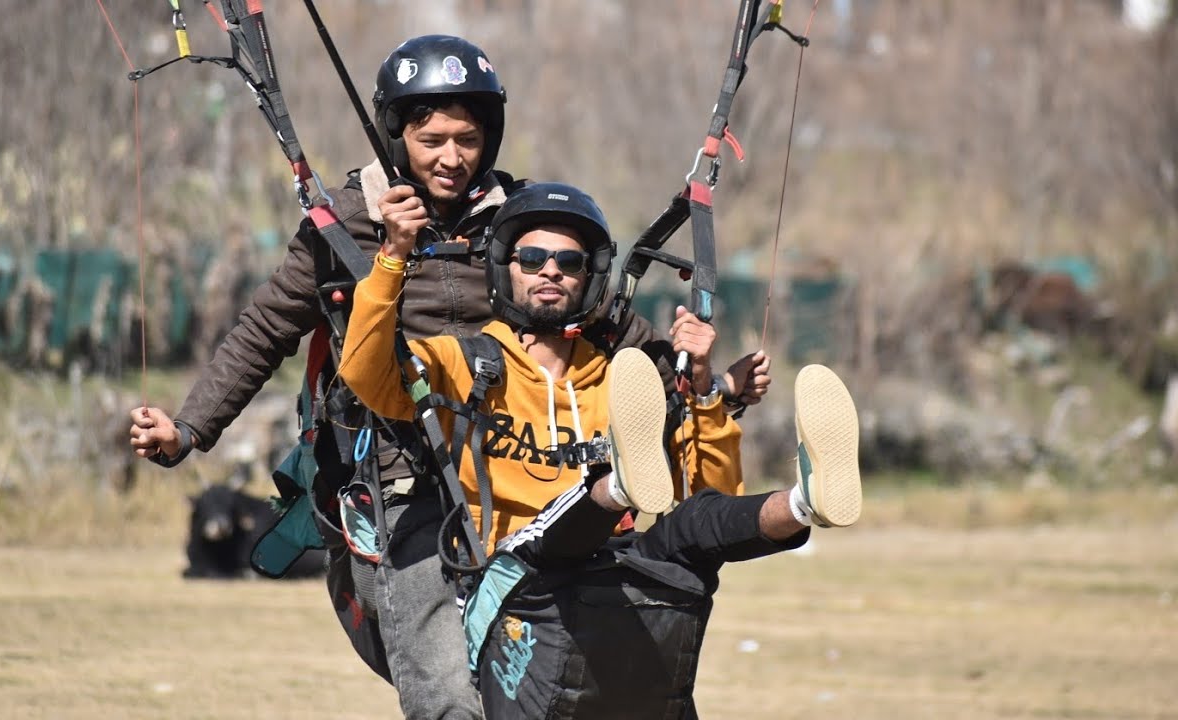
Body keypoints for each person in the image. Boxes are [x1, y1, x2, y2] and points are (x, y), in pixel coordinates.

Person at [129, 35, 724, 719]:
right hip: (398, 480)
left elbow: (605, 325)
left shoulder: (520, 218)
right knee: (446, 693)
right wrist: (189, 428)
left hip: (516, 463)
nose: (450, 157)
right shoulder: (346, 223)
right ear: (397, 134)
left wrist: (691, 370)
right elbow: (264, 331)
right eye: (431, 137)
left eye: (467, 139)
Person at [338, 182, 862, 719]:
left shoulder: (620, 380)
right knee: (567, 528)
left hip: (609, 573)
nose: (551, 271)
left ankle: (806, 500)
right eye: (534, 257)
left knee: (689, 530)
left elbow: (713, 496)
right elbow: (364, 373)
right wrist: (393, 257)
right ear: (505, 268)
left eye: (569, 261)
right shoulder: (458, 361)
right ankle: (615, 488)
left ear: (589, 277)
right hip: (513, 579)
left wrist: (703, 388)